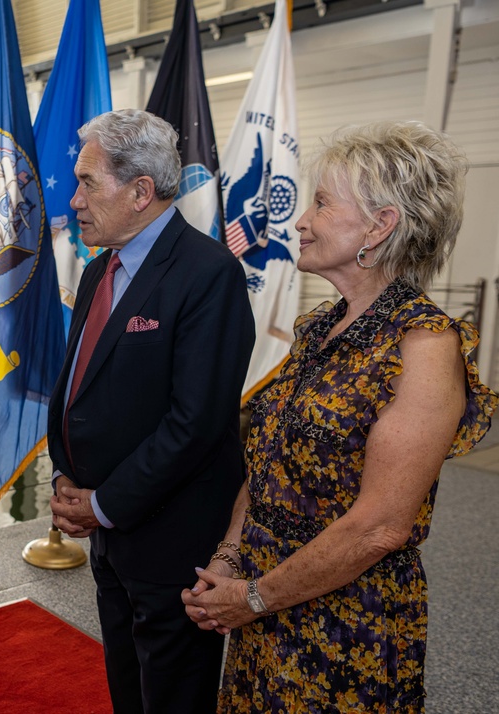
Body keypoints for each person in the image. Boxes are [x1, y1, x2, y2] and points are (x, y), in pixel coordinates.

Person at [181, 121, 498, 712]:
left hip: (344, 622)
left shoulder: (424, 347)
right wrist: (230, 557)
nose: (301, 220)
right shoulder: (320, 327)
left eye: (322, 203)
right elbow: (270, 461)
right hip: (263, 596)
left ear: (381, 226)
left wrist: (252, 597)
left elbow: (381, 526)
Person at [47, 108, 256, 713]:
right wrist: (66, 475)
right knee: (127, 685)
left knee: (172, 694)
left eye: (88, 182)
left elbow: (196, 423)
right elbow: (76, 389)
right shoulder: (98, 271)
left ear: (141, 191)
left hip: (171, 536)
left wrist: (103, 505)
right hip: (109, 534)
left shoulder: (208, 274)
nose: (75, 198)